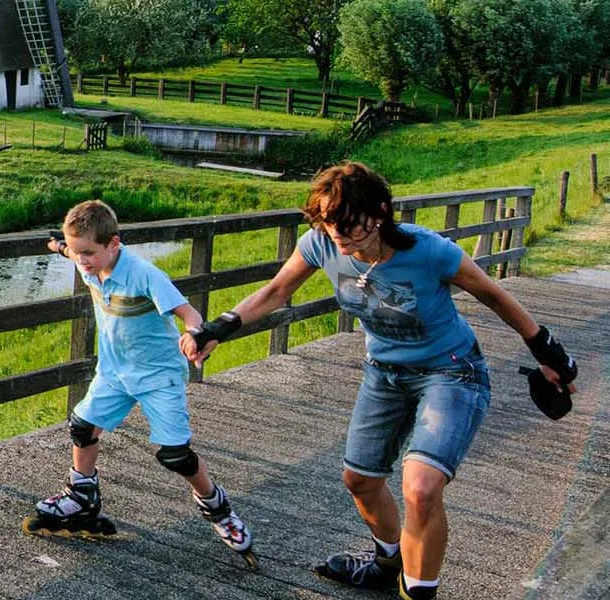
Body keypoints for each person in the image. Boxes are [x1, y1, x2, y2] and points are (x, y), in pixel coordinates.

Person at [182, 162, 580, 600]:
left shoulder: (429, 251)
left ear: (380, 213)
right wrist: (218, 328)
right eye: (330, 223)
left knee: (421, 486)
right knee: (360, 480)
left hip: (450, 371)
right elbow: (276, 293)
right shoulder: (321, 243)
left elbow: (493, 293)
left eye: (350, 226)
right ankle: (388, 562)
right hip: (384, 373)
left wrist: (548, 354)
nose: (340, 236)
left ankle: (417, 590)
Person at [27, 200, 256, 567]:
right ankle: (82, 493)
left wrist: (194, 334)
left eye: (89, 253)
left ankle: (217, 507)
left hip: (157, 376)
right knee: (83, 427)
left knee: (175, 455)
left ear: (113, 244)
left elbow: (188, 312)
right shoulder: (87, 257)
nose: (82, 262)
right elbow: (68, 248)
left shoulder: (145, 274)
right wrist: (58, 246)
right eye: (78, 253)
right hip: (115, 373)